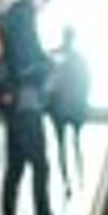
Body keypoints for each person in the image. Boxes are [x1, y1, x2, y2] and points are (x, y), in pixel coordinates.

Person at [0, 0, 68, 215]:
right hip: (26, 102)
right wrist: (49, 64)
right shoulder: (23, 16)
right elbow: (26, 60)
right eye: (45, 1)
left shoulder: (9, 15)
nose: (44, 8)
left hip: (11, 102)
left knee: (15, 169)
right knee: (41, 166)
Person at [43, 27, 91, 199]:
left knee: (61, 146)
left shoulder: (55, 57)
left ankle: (68, 182)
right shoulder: (80, 60)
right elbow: (86, 85)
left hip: (59, 109)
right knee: (76, 144)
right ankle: (80, 178)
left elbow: (49, 84)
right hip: (75, 107)